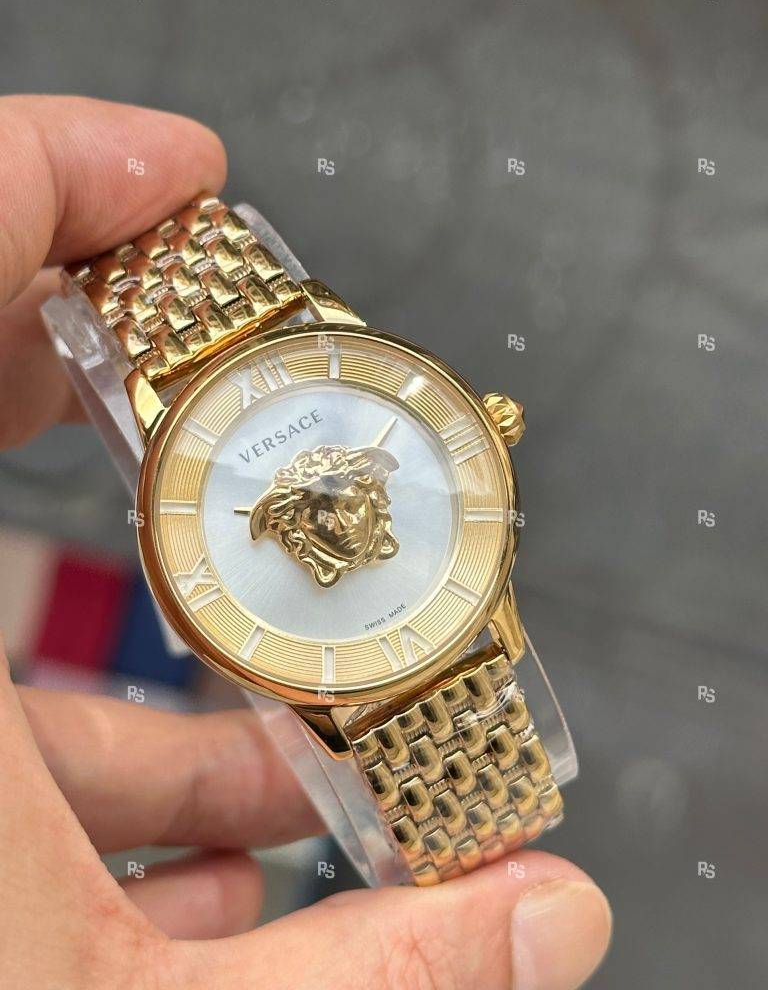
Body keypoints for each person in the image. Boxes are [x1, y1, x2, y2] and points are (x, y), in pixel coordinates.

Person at [0, 95, 612, 990]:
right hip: (348, 677)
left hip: (444, 639)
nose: (356, 510)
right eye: (325, 508)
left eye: (360, 491)